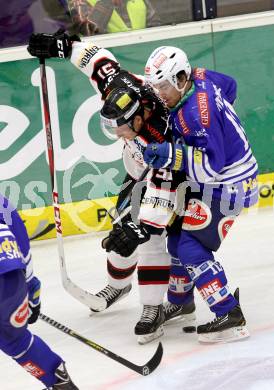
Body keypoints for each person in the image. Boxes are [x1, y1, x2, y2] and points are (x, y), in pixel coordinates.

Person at [27, 30, 183, 344]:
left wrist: (145, 226)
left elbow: (165, 185)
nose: (118, 134)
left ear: (140, 117)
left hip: (172, 182)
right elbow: (98, 61)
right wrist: (65, 46)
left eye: (123, 127)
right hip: (137, 176)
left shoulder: (164, 132)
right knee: (120, 235)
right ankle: (118, 284)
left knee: (149, 241)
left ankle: (152, 307)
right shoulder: (123, 88)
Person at [140, 46, 259, 343]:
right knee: (177, 238)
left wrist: (172, 154)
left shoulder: (196, 116)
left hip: (229, 185)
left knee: (191, 248)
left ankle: (230, 314)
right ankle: (181, 301)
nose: (160, 93)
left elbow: (211, 168)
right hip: (219, 180)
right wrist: (222, 120)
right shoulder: (201, 76)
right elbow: (230, 85)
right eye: (156, 86)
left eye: (164, 86)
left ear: (181, 78)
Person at [0, 193, 78, 389]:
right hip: (11, 276)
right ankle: (57, 380)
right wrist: (30, 286)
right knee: (16, 341)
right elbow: (19, 238)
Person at [77, 0, 161, 35]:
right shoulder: (84, 3)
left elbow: (157, 28)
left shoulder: (141, 1)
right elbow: (88, 34)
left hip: (140, 54)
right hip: (110, 60)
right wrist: (106, 3)